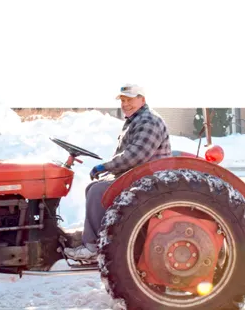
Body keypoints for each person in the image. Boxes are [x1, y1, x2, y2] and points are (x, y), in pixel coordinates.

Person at [64, 84, 172, 261]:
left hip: (150, 180)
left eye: (130, 99)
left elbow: (136, 155)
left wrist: (105, 167)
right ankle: (99, 234)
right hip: (138, 174)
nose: (125, 104)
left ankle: (93, 247)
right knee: (94, 187)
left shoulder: (149, 121)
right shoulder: (136, 119)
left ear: (142, 99)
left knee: (99, 191)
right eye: (123, 100)